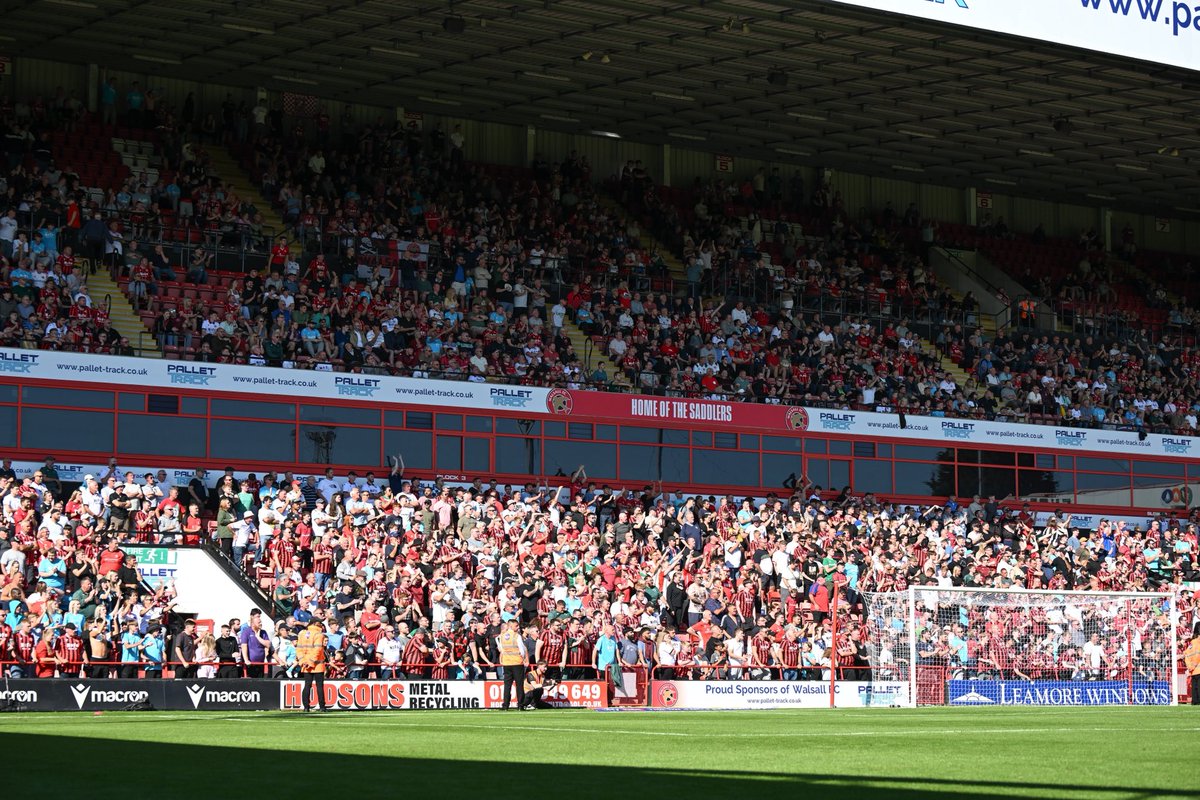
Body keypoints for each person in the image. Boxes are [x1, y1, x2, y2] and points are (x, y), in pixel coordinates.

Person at [296, 618, 330, 712]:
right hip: (317, 664)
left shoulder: (302, 633)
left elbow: (299, 649)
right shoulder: (319, 634)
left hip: (305, 664)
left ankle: (306, 707)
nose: (321, 625)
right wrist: (311, 662)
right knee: (319, 686)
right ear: (315, 623)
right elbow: (318, 650)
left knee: (307, 685)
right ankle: (322, 707)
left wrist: (303, 661)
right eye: (319, 623)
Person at [497, 618, 527, 710]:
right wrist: (523, 658)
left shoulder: (501, 636)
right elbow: (522, 650)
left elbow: (501, 649)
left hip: (506, 663)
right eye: (516, 626)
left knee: (507, 685)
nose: (518, 627)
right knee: (519, 685)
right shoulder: (516, 636)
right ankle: (520, 705)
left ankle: (505, 705)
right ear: (510, 626)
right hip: (517, 663)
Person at [239, 608, 272, 677]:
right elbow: (244, 646)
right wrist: (246, 660)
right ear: (251, 618)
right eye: (257, 617)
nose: (259, 619)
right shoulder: (246, 632)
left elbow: (268, 644)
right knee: (250, 685)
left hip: (260, 663)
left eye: (260, 617)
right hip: (250, 664)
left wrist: (258, 637)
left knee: (260, 684)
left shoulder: (263, 632)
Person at [593, 622, 620, 703]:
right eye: (612, 630)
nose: (614, 631)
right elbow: (595, 651)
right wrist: (593, 663)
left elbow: (616, 650)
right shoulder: (601, 639)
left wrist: (619, 661)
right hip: (603, 666)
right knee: (604, 684)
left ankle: (610, 700)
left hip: (612, 666)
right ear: (606, 631)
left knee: (612, 683)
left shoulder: (613, 639)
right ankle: (603, 700)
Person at [1185, 624, 1200, 706]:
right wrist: (1193, 665)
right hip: (1197, 668)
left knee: (1194, 687)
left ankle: (1194, 702)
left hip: (1194, 670)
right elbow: (1198, 655)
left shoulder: (1192, 643)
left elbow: (1186, 655)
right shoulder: (1198, 642)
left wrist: (1189, 667)